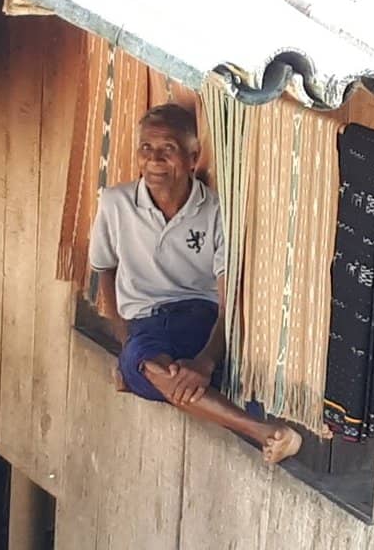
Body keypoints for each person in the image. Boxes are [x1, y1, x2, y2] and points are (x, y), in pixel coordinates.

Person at [89, 103, 301, 464]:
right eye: (146, 149)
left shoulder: (216, 210)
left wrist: (204, 361)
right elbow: (103, 269)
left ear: (192, 157)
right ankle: (263, 432)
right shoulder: (115, 203)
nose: (154, 160)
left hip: (197, 317)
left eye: (167, 149)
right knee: (148, 362)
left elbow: (226, 298)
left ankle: (136, 370)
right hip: (145, 322)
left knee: (155, 373)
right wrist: (122, 334)